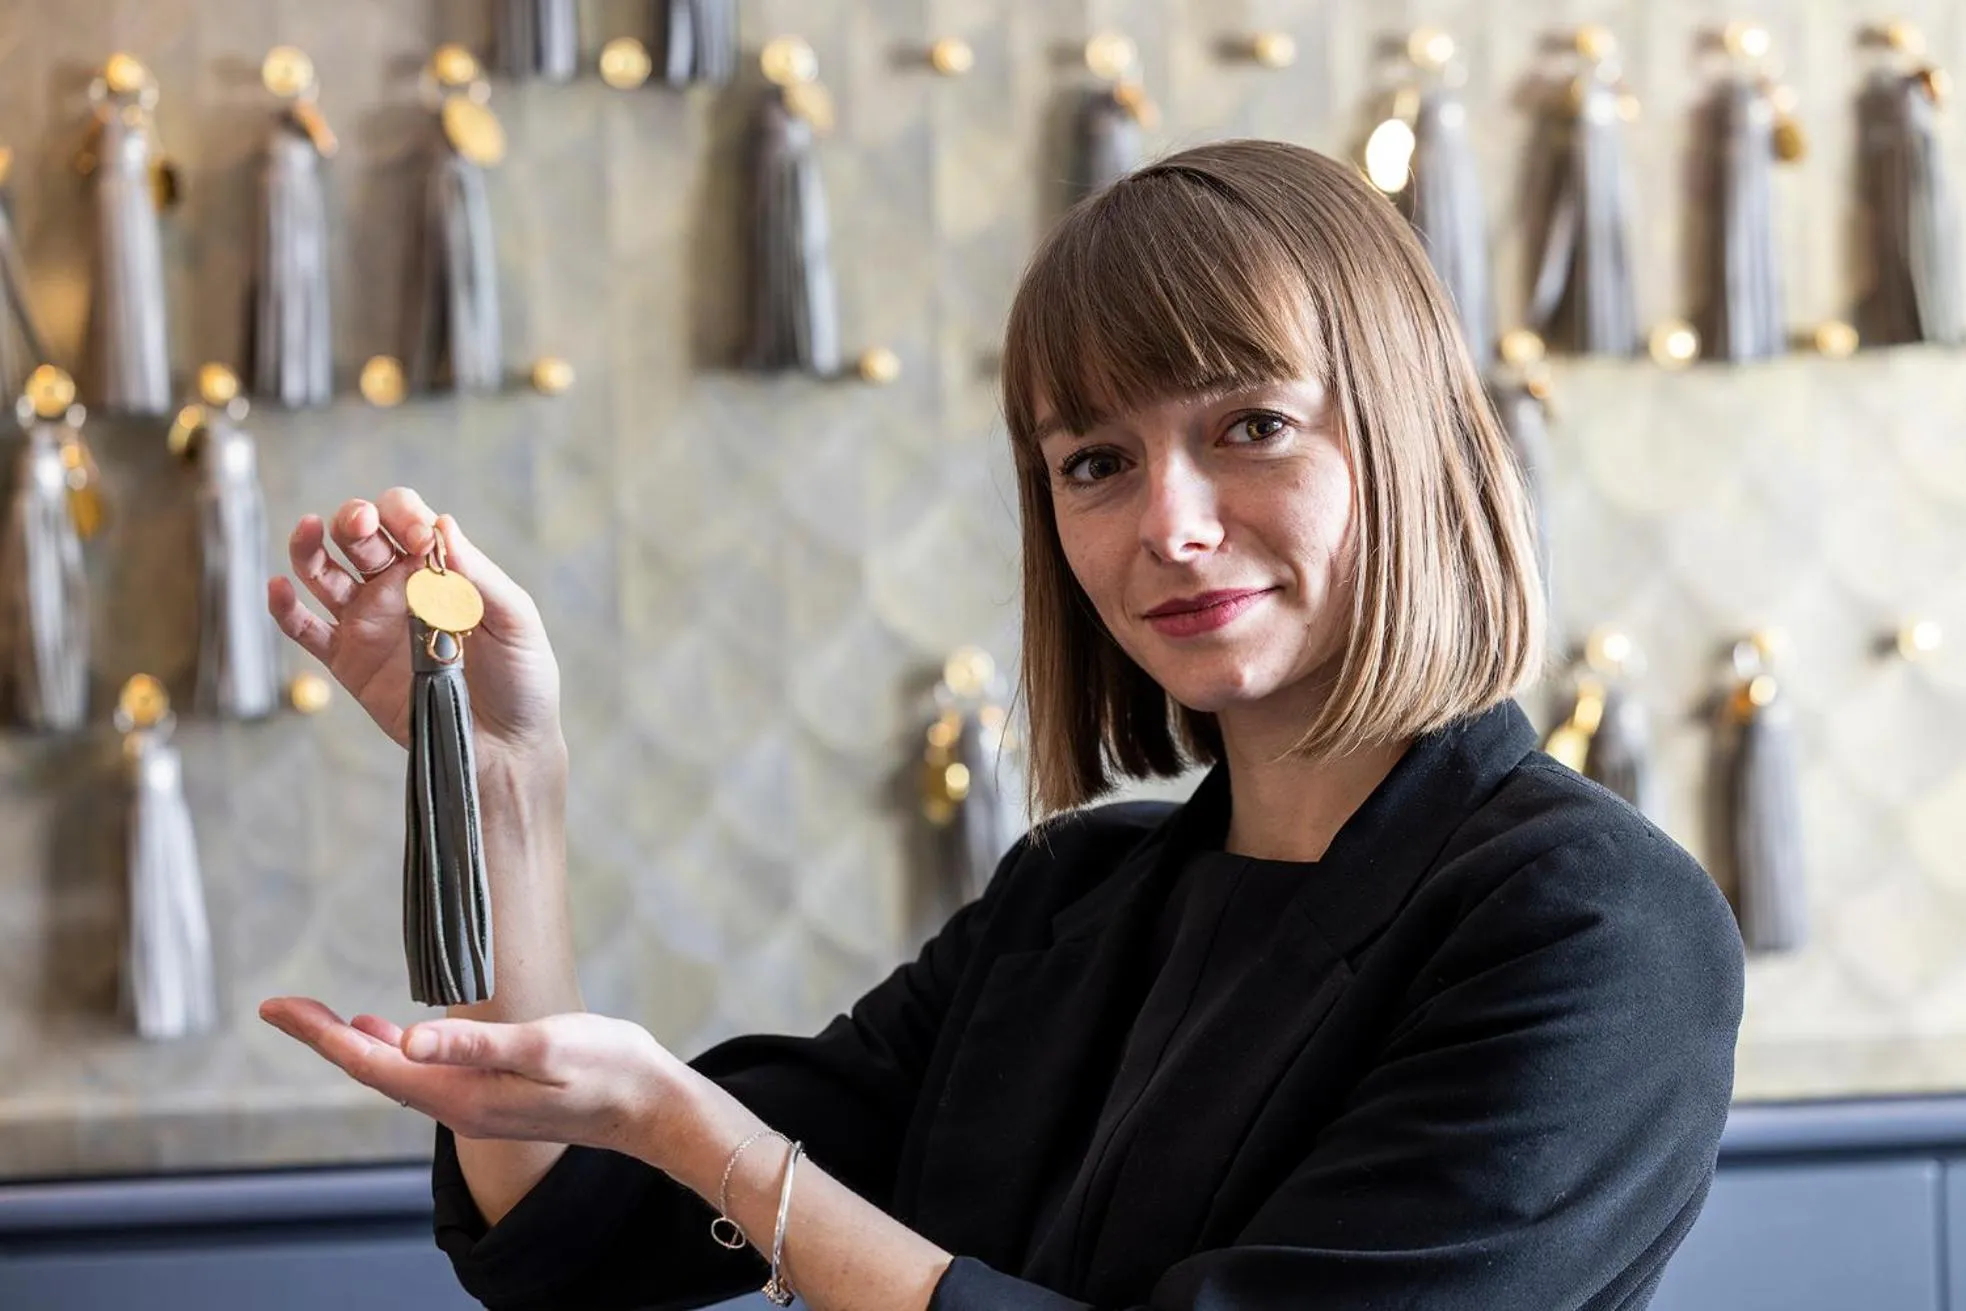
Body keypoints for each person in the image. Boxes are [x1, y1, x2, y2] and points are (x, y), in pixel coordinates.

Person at [260, 139, 1744, 1310]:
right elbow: (567, 1238)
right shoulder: (1070, 897)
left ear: (1408, 433)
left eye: (1250, 424)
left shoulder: (1596, 924)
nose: (1166, 523)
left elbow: (681, 1153)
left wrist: (687, 1121)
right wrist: (505, 778)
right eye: (1093, 459)